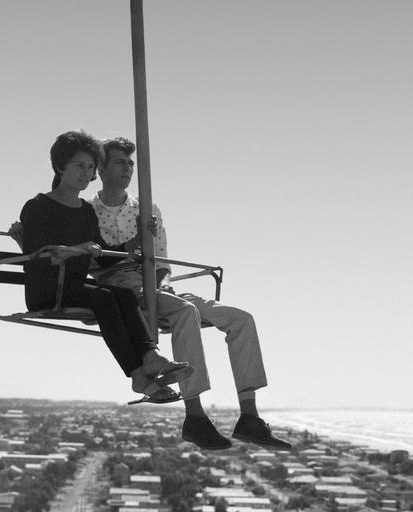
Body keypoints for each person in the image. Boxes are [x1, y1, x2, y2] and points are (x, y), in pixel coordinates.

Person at [91, 136, 291, 450]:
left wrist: (157, 283)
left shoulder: (145, 209)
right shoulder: (89, 213)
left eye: (131, 163)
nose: (128, 169)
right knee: (186, 312)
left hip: (154, 285)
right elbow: (94, 262)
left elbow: (161, 257)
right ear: (101, 168)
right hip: (120, 287)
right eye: (120, 162)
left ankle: (249, 416)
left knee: (241, 320)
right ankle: (195, 415)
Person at [17, 129, 193, 404]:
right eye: (79, 166)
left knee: (121, 296)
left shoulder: (85, 211)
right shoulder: (38, 206)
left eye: (90, 167)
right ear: (60, 166)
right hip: (48, 289)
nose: (86, 173)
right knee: (105, 298)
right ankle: (139, 372)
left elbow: (103, 254)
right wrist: (77, 250)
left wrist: (137, 238)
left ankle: (149, 358)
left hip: (74, 287)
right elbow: (37, 255)